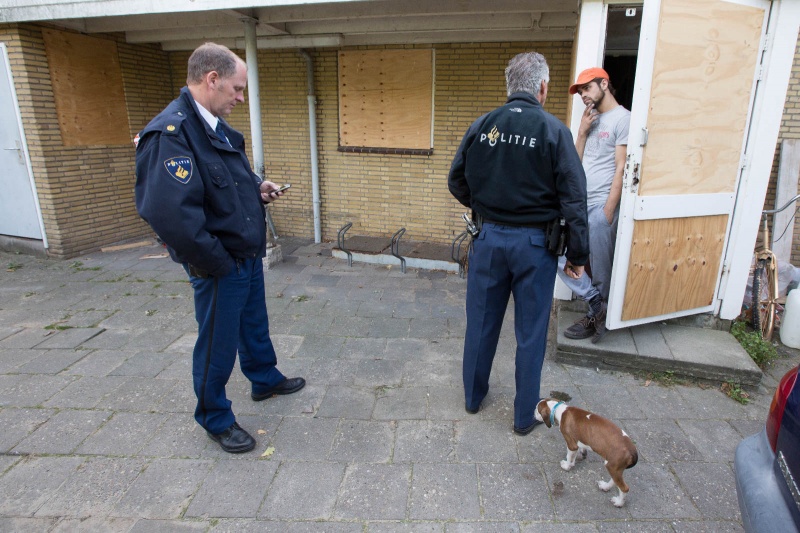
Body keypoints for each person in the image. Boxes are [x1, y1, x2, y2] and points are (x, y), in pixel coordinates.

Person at [134, 42, 305, 454]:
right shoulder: (171, 134)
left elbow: (225, 182)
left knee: (253, 326)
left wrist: (256, 187)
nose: (241, 98)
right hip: (218, 263)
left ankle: (264, 379)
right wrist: (218, 264)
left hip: (244, 255)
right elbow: (170, 215)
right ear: (212, 80)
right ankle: (214, 417)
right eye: (237, 88)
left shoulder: (219, 129)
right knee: (217, 343)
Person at [448, 52, 590, 435]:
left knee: (480, 323)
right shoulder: (554, 131)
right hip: (535, 245)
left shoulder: (484, 124)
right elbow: (575, 198)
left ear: (510, 86)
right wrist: (578, 255)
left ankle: (473, 398)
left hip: (488, 239)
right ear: (542, 88)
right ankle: (523, 416)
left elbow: (456, 180)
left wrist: (486, 208)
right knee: (530, 332)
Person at [558, 67, 630, 343]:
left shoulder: (623, 119)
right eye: (580, 92)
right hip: (579, 203)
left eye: (587, 88)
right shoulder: (589, 120)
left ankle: (596, 314)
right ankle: (596, 305)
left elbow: (622, 168)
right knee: (559, 253)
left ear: (604, 83)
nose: (583, 96)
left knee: (600, 266)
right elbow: (574, 164)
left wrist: (607, 212)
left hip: (601, 203)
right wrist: (582, 132)